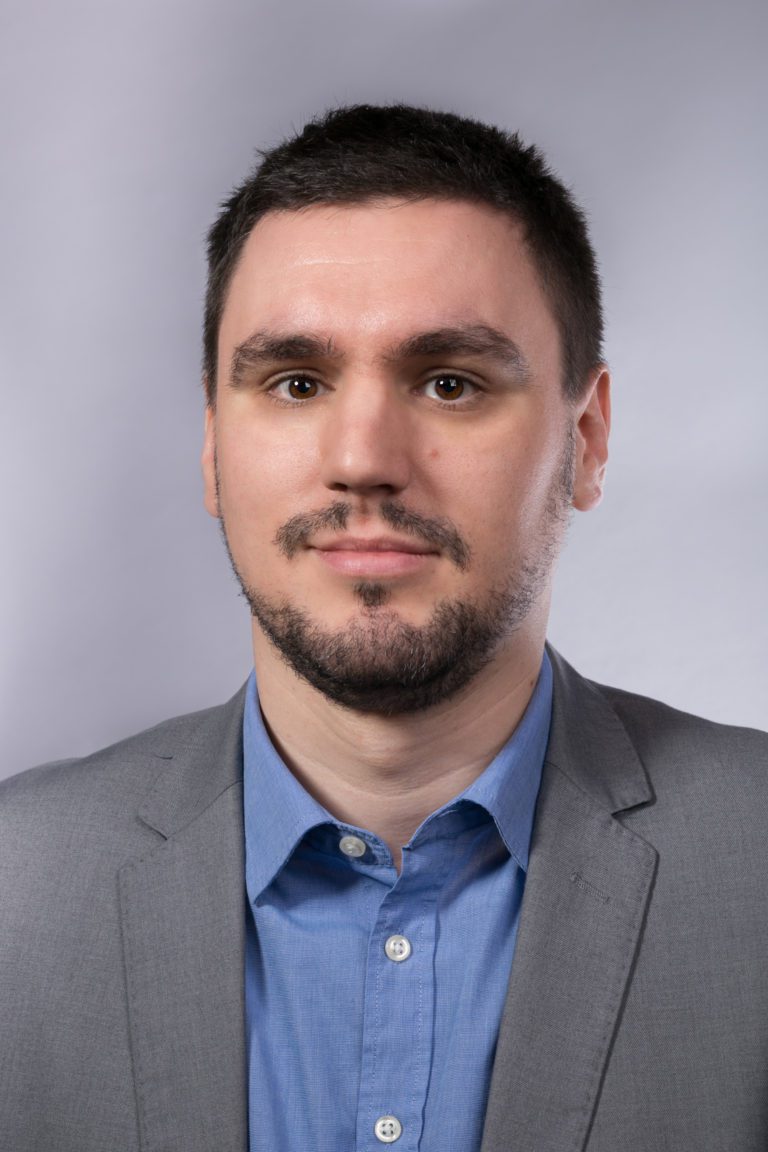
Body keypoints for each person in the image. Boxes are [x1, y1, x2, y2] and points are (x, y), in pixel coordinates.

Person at [1, 104, 766, 1152]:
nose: (363, 460)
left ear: (586, 440)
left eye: (450, 383)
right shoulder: (16, 892)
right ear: (214, 449)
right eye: (296, 383)